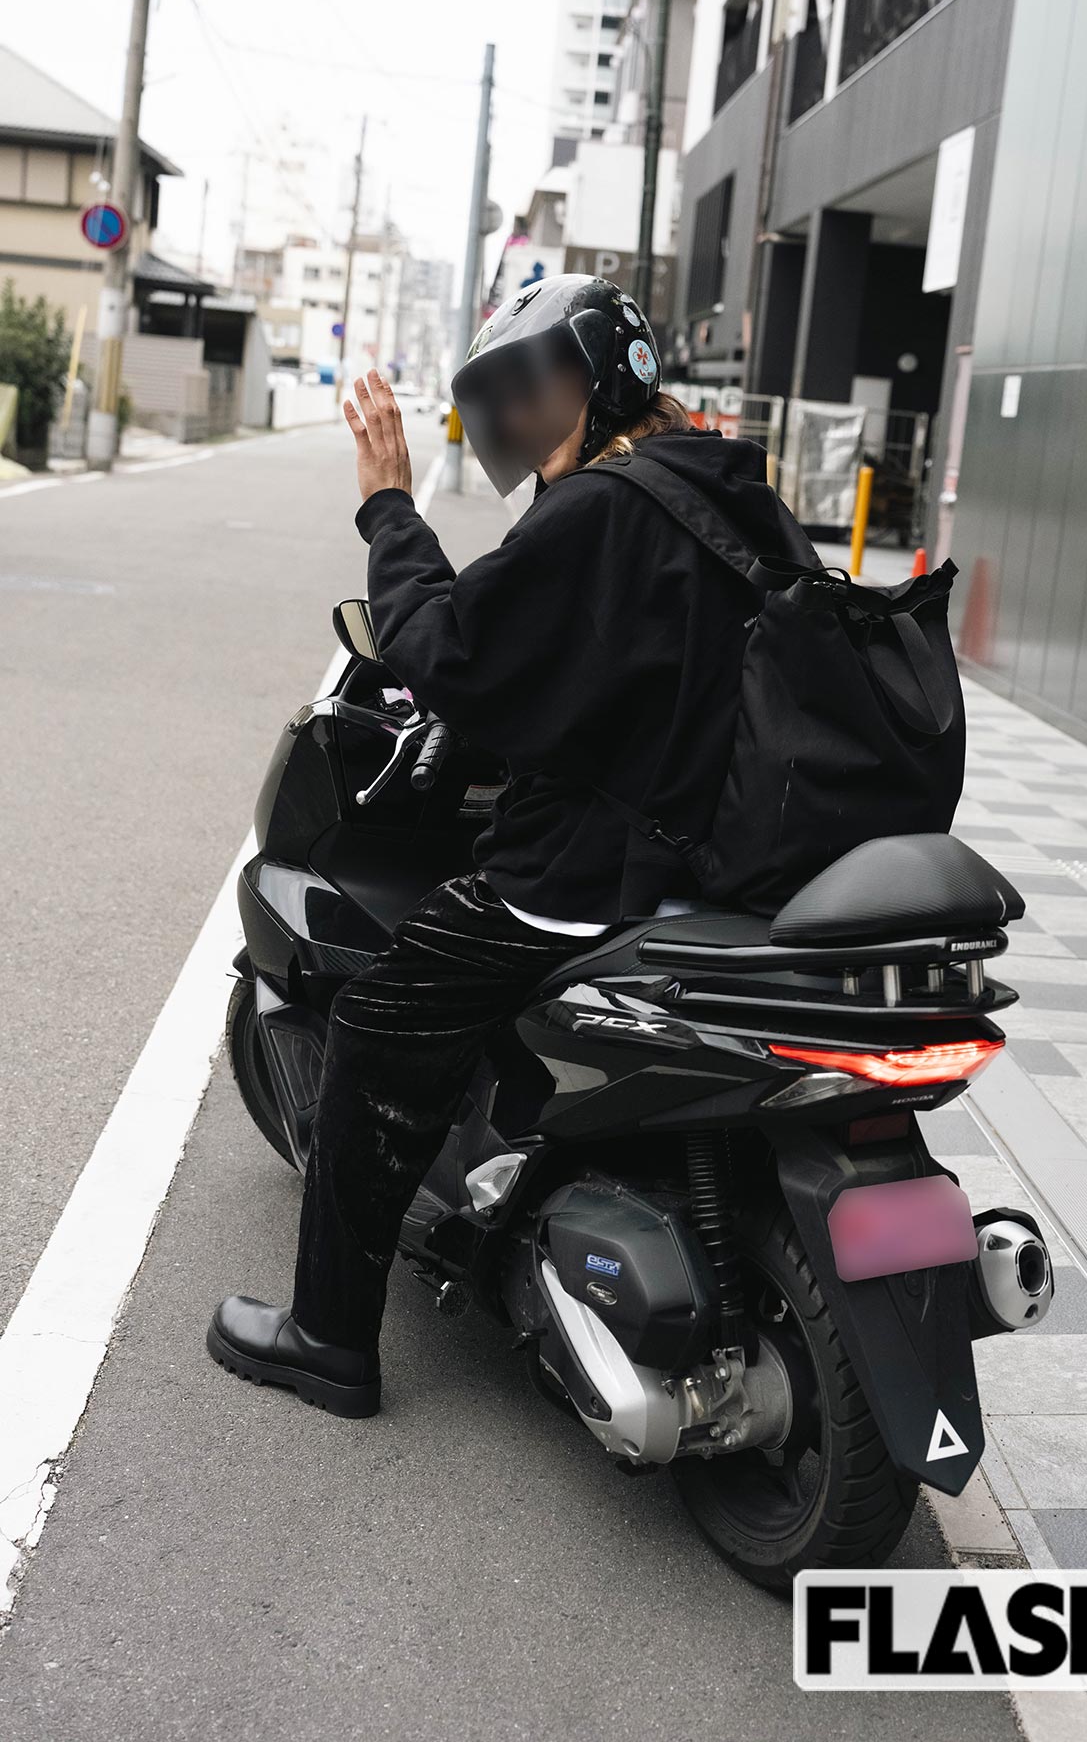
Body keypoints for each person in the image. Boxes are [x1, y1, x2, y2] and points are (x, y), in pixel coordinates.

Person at [206, 275, 809, 1418]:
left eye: (541, 396)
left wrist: (388, 506)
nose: (524, 430)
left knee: (382, 1025)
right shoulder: (733, 487)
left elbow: (452, 652)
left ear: (605, 379)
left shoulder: (601, 510)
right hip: (729, 869)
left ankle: (326, 1337)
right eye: (508, 406)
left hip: (587, 880)